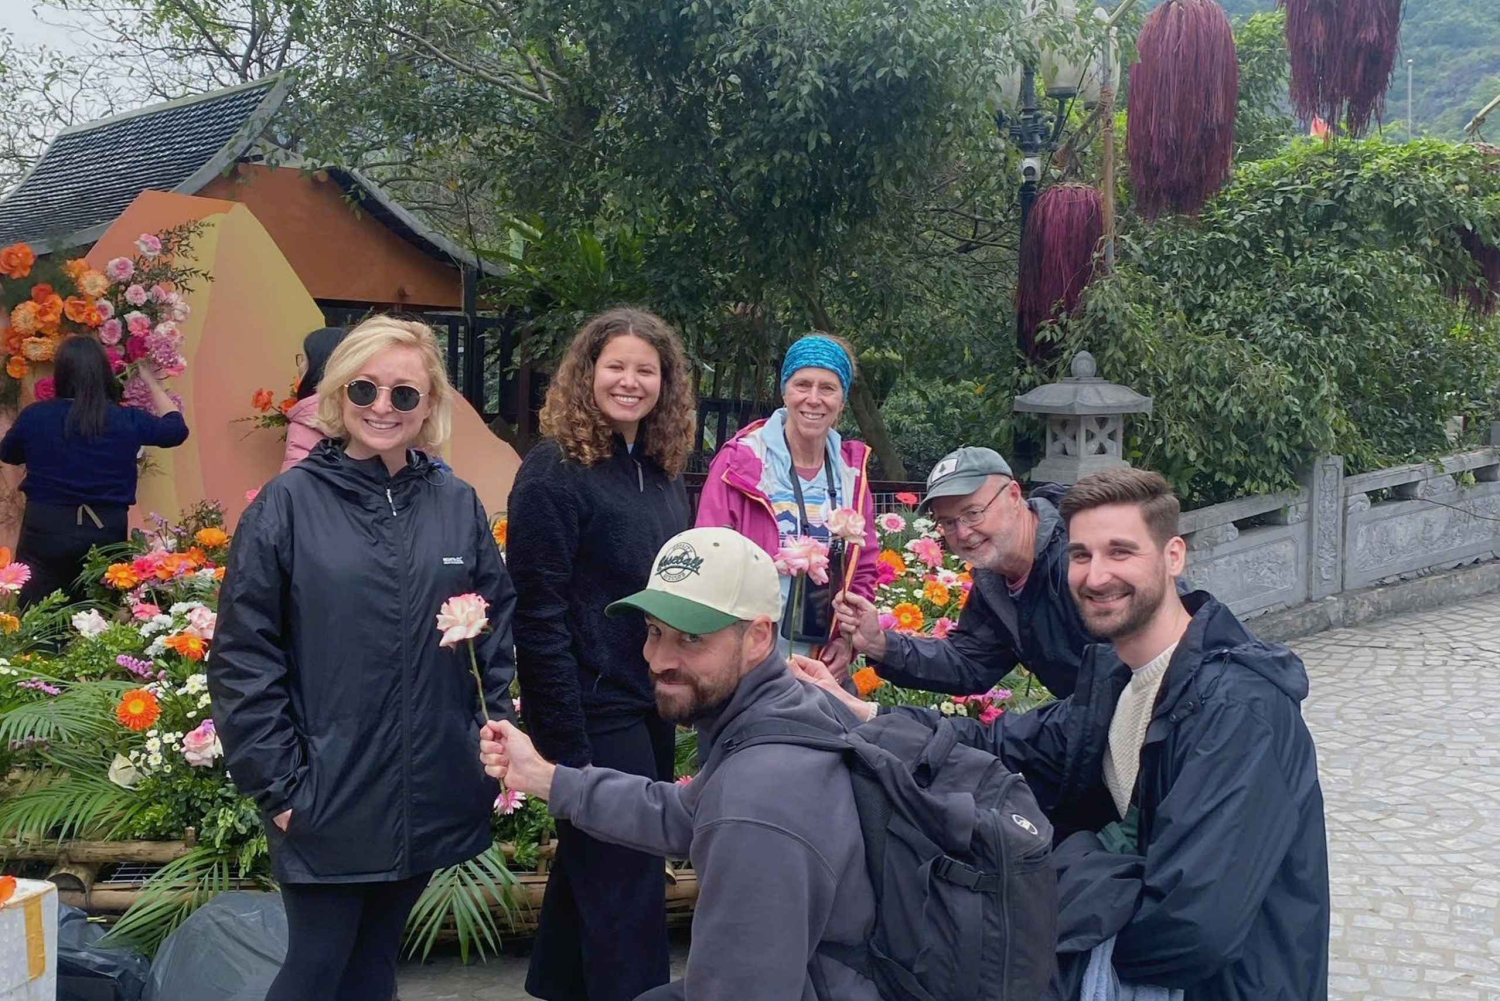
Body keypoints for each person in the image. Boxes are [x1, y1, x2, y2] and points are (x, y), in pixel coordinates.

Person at [803, 468, 1330, 1000]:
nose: (1096, 577)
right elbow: (1006, 744)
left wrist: (1058, 936)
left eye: (1120, 552)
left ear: (1174, 556)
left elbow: (1195, 929)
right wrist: (863, 714)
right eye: (1081, 556)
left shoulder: (1237, 709)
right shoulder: (1116, 678)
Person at [209, 316, 517, 1001]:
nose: (383, 406)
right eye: (364, 388)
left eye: (404, 394)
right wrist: (281, 787)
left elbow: (492, 634)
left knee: (373, 967)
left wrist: (482, 744)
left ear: (428, 405)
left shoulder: (455, 503)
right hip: (326, 792)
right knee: (316, 969)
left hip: (429, 788)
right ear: (338, 393)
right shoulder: (288, 506)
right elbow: (243, 656)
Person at [481, 527, 878, 1001]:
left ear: (757, 638)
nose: (657, 659)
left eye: (691, 637)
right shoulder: (787, 709)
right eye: (654, 630)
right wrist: (545, 777)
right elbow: (686, 811)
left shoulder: (756, 801)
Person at [506, 307, 695, 1001]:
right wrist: (564, 752)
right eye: (616, 366)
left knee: (595, 871)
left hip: (647, 699)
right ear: (587, 373)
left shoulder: (659, 471)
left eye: (646, 370)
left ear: (665, 383)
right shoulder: (553, 472)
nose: (630, 381)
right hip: (590, 708)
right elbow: (538, 613)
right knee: (628, 887)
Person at [834, 445, 1092, 699]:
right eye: (948, 522)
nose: (963, 533)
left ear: (1014, 495)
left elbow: (1108, 688)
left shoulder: (1081, 555)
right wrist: (879, 644)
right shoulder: (994, 577)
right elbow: (970, 661)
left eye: (973, 513)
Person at [696, 333, 878, 680]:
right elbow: (710, 558)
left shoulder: (852, 473)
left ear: (842, 400)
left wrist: (846, 641)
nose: (814, 399)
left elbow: (864, 568)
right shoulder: (740, 463)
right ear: (784, 391)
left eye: (828, 388)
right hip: (747, 660)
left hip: (821, 664)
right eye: (802, 384)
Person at [0, 336, 188, 606]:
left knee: (38, 616)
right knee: (98, 616)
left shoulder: (36, 416)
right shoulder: (125, 419)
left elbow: (8, 453)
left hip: (46, 528)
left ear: (61, 374)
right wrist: (151, 382)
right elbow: (176, 429)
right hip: (104, 530)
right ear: (103, 373)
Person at [280, 326, 347, 472]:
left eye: (304, 359)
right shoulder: (361, 409)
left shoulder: (307, 418)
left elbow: (296, 482)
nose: (300, 366)